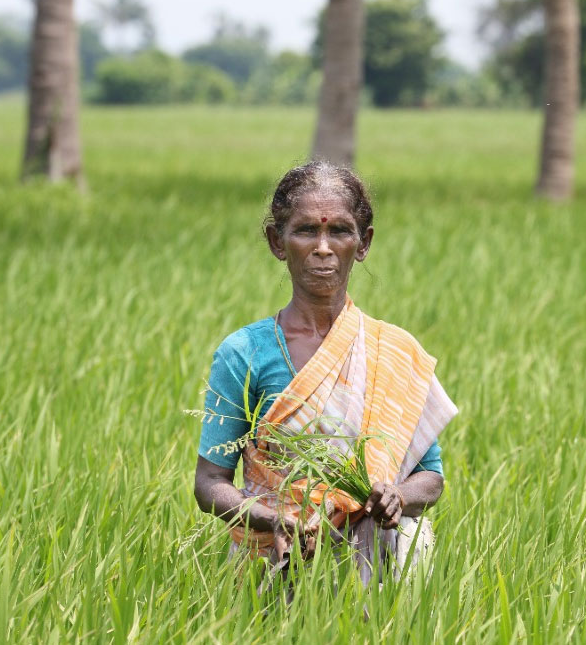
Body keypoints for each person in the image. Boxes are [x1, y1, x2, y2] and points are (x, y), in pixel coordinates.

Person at [193, 161, 457, 584]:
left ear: (363, 242)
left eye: (339, 231)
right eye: (305, 231)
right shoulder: (244, 353)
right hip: (276, 556)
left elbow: (432, 478)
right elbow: (210, 482)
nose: (323, 247)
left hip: (376, 552)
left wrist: (397, 496)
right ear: (277, 242)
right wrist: (273, 518)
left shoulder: (395, 351)